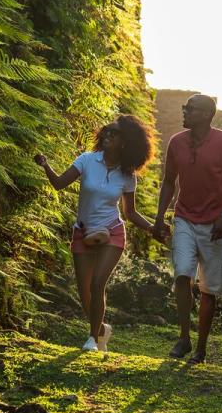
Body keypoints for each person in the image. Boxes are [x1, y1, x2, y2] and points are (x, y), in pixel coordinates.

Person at [35, 115, 158, 353]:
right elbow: (60, 183)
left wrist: (152, 228)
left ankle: (92, 338)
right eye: (106, 132)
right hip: (83, 231)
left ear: (125, 142)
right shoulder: (87, 160)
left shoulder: (128, 175)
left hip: (112, 231)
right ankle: (101, 328)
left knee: (98, 282)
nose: (107, 136)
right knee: (84, 292)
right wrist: (45, 165)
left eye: (113, 133)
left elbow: (130, 213)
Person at [152, 94, 222, 364]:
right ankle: (184, 337)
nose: (184, 112)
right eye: (185, 107)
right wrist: (160, 217)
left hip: (215, 224)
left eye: (190, 109)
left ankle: (201, 348)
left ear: (207, 115)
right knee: (182, 275)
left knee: (209, 289)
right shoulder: (176, 143)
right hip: (184, 218)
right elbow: (169, 182)